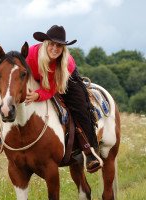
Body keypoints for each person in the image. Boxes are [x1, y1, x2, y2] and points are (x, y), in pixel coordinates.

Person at [25, 25, 103, 173]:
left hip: (66, 79)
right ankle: (2, 136)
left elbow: (52, 88)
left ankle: (90, 152)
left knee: (81, 108)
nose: (55, 48)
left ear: (63, 48)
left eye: (59, 45)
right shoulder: (30, 55)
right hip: (37, 78)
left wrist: (38, 95)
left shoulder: (64, 63)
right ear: (45, 44)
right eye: (52, 44)